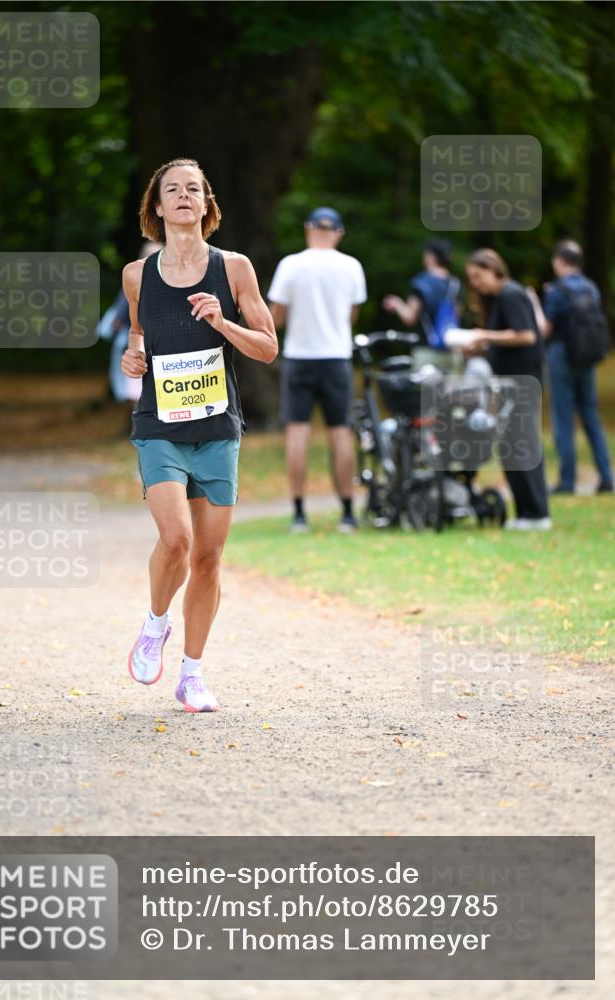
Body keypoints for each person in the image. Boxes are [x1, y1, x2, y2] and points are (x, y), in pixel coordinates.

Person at [121, 158, 277, 711]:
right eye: (172, 189)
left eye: (194, 189)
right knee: (177, 541)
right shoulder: (137, 275)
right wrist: (133, 357)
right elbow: (139, 335)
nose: (184, 196)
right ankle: (156, 621)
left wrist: (222, 322)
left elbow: (267, 347)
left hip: (216, 429)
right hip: (159, 425)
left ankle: (191, 674)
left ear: (207, 206)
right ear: (157, 207)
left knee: (209, 559)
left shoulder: (234, 269)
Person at [268, 206, 367, 534]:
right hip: (337, 357)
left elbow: (276, 316)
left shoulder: (291, 265)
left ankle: (298, 513)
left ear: (308, 229)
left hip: (300, 356)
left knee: (298, 433)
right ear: (338, 233)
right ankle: (348, 513)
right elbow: (353, 315)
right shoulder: (352, 266)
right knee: (340, 432)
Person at [464, 248, 551, 530]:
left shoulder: (511, 294)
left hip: (522, 379)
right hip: (508, 379)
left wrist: (484, 335)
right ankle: (526, 512)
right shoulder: (498, 299)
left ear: (493, 269)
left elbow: (526, 335)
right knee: (510, 444)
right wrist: (483, 345)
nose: (475, 283)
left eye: (478, 276)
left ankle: (537, 513)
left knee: (521, 444)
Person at [527, 240, 613, 494]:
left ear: (560, 261)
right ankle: (607, 476)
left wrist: (534, 303)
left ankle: (567, 480)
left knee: (563, 417)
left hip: (562, 355)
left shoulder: (557, 291)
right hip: (586, 357)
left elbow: (545, 329)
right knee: (591, 415)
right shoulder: (591, 288)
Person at [97, 241, 162, 413]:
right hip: (141, 346)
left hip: (156, 348)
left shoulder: (133, 283)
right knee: (139, 390)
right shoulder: (135, 283)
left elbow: (116, 321)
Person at [382, 238, 461, 373]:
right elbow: (456, 316)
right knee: (450, 394)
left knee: (423, 393)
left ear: (431, 256)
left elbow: (410, 317)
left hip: (426, 351)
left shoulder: (421, 282)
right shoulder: (456, 284)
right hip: (452, 350)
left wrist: (397, 304)